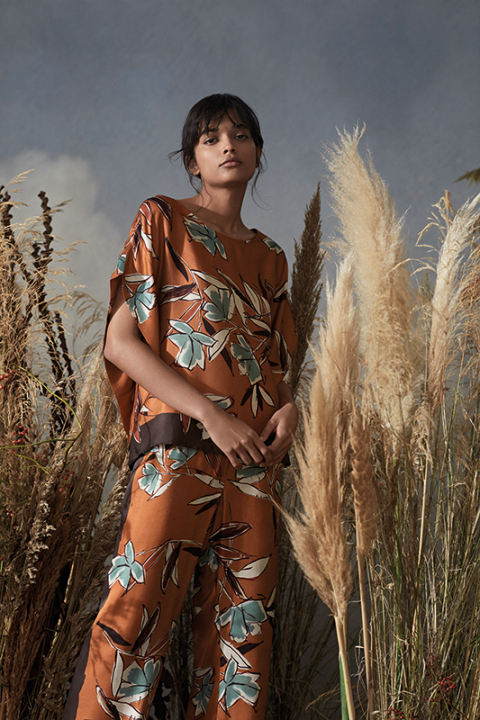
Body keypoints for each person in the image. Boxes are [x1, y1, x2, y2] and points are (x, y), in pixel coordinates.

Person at [63, 93, 298, 720]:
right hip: (178, 452)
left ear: (258, 153)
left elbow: (277, 367)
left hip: (252, 470)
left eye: (241, 135)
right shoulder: (161, 219)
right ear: (193, 159)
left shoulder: (272, 258)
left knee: (242, 645)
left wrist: (291, 411)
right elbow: (120, 342)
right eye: (211, 137)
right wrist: (212, 416)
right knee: (134, 621)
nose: (228, 146)